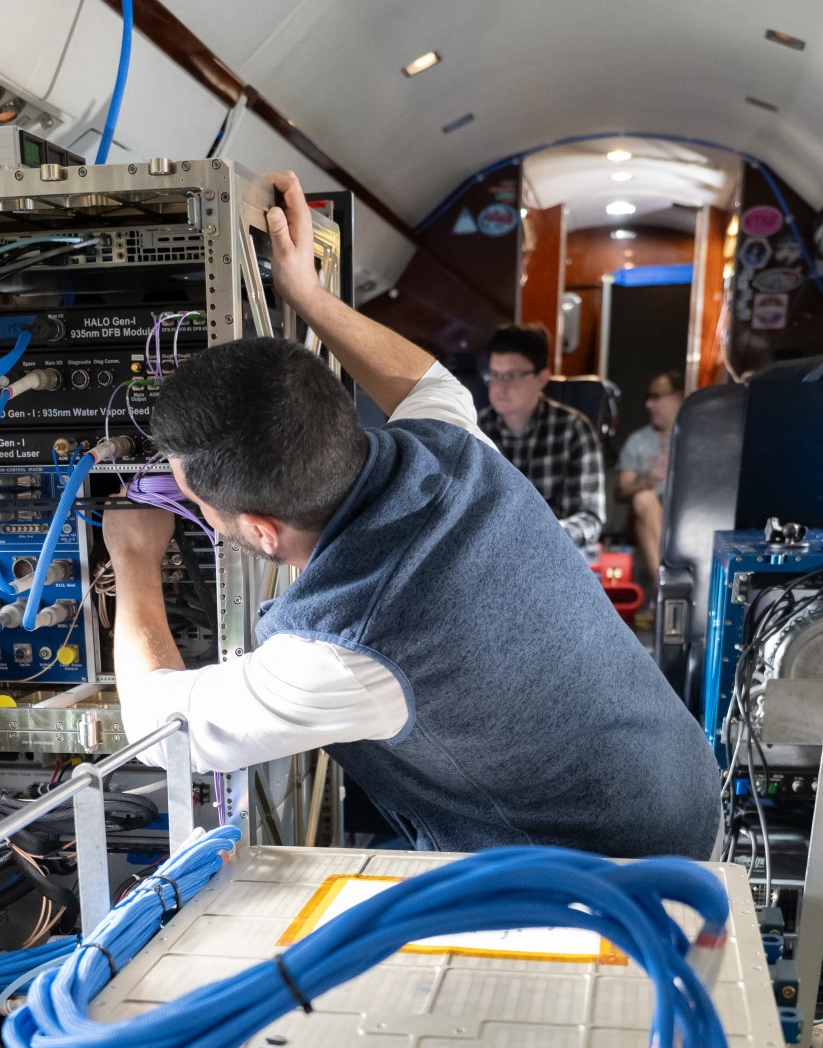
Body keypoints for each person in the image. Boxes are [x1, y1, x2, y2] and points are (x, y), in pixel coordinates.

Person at [101, 172, 720, 860]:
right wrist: (306, 296)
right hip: (678, 779)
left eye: (195, 505)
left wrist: (133, 557)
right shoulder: (455, 450)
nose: (187, 509)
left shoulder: (343, 649)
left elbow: (154, 725)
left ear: (261, 530)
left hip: (611, 863)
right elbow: (427, 383)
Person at [477, 324, 606, 548]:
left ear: (542, 378)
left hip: (554, 550)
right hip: (491, 551)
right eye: (494, 375)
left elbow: (590, 518)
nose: (499, 387)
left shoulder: (573, 430)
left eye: (512, 376)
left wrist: (537, 538)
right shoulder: (476, 429)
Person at [617, 369, 686, 586]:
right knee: (643, 499)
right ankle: (663, 585)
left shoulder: (697, 437)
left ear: (679, 397)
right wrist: (648, 478)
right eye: (648, 398)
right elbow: (621, 489)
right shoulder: (638, 440)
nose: (649, 405)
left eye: (656, 397)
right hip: (649, 514)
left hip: (687, 510)